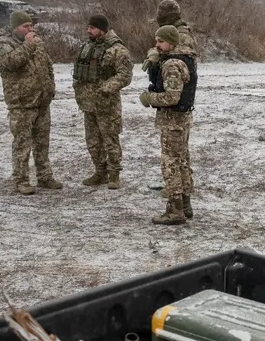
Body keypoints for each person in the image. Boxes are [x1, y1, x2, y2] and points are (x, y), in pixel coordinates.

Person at [0, 10, 61, 195]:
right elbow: (11, 62)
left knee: (42, 142)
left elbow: (47, 65)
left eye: (31, 26)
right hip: (21, 102)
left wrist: (50, 86)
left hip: (41, 100)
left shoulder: (37, 42)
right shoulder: (3, 44)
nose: (30, 29)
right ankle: (21, 180)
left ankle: (45, 177)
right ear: (15, 27)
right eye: (26, 26)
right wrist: (28, 44)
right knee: (22, 143)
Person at [139, 25, 197, 225]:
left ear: (171, 43)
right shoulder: (181, 59)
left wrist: (149, 98)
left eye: (161, 41)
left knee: (171, 164)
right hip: (180, 120)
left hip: (173, 122)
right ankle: (185, 204)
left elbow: (172, 97)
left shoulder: (172, 65)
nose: (157, 45)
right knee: (181, 161)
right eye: (156, 41)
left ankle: (175, 209)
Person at [72, 14, 133, 189]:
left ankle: (114, 174)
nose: (88, 30)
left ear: (102, 29)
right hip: (88, 104)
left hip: (107, 105)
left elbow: (125, 75)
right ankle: (100, 172)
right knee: (92, 141)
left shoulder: (117, 50)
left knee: (110, 140)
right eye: (88, 27)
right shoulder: (88, 46)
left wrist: (107, 87)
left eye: (92, 27)